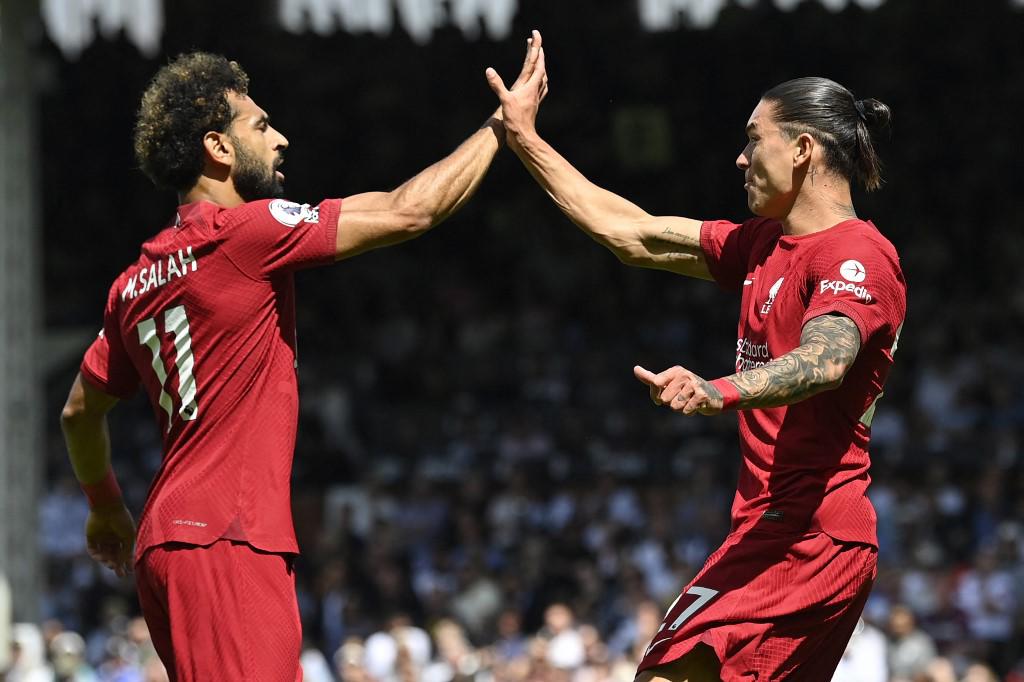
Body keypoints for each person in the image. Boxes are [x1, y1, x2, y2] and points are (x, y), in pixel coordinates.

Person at [60, 34, 547, 681]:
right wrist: (501, 128)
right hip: (227, 535)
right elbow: (410, 211)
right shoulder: (247, 233)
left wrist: (104, 505)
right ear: (218, 147)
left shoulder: (133, 283)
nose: (281, 138)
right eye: (261, 125)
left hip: (171, 540)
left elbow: (78, 412)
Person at [488, 54, 906, 680]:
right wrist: (524, 138)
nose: (740, 158)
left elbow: (825, 361)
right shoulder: (762, 244)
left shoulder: (857, 254)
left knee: (666, 673)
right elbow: (632, 233)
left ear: (802, 149)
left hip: (808, 537)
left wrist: (717, 391)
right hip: (777, 532)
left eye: (753, 139)